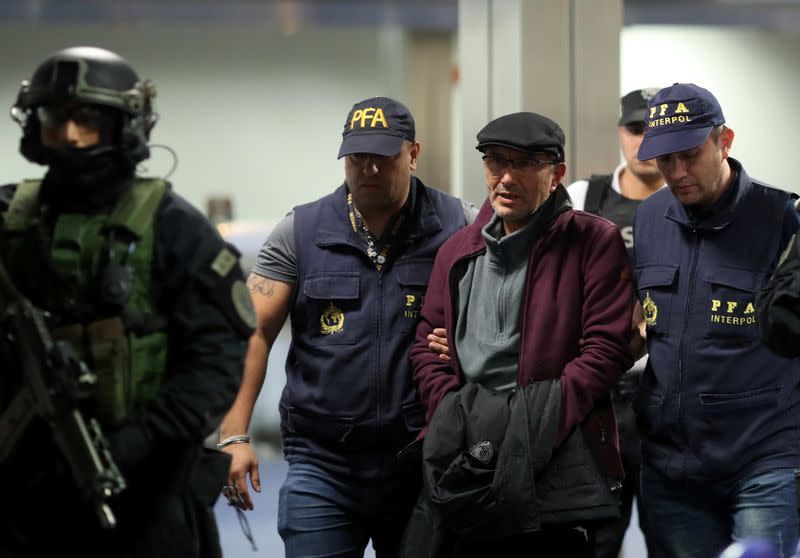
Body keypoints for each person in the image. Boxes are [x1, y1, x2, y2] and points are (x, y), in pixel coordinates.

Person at [0, 46, 253, 557]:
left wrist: (142, 439)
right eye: (54, 118)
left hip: (143, 495)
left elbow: (216, 358)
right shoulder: (8, 221)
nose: (68, 135)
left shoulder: (174, 229)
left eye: (86, 119)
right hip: (21, 498)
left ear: (124, 126)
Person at [218, 96, 474, 558]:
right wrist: (234, 435)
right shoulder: (301, 230)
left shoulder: (460, 226)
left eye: (383, 157)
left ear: (413, 154)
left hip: (422, 460)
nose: (369, 169)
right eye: (357, 158)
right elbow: (251, 332)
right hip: (323, 462)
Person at [408, 111, 635, 556]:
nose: (507, 177)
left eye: (526, 164)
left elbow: (605, 352)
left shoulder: (593, 241)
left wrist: (532, 424)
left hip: (552, 458)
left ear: (557, 175)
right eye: (496, 162)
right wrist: (454, 418)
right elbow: (426, 346)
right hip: (465, 452)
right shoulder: (458, 252)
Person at [631, 82, 800, 558]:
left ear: (724, 142)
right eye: (665, 160)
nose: (677, 172)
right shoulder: (648, 219)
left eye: (690, 155)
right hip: (672, 469)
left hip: (765, 459)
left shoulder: (783, 219)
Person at [567, 87, 664, 558]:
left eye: (655, 129)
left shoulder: (695, 201)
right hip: (599, 397)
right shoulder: (584, 197)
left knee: (676, 539)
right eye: (635, 129)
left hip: (669, 399)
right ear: (620, 134)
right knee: (596, 542)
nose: (645, 141)